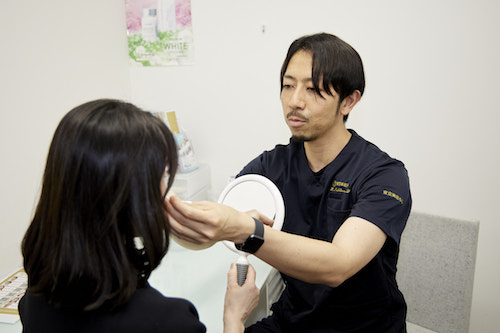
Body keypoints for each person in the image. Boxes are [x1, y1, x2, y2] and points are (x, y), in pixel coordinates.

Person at [166, 33, 412, 332]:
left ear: (348, 101)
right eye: (288, 85)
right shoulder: (271, 166)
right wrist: (172, 214)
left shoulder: (383, 174)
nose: (295, 101)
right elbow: (210, 230)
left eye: (313, 89)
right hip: (292, 322)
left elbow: (338, 265)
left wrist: (245, 229)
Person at [18, 99, 259, 332]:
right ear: (126, 193)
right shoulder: (168, 322)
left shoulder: (34, 296)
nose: (168, 192)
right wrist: (234, 317)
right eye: (161, 176)